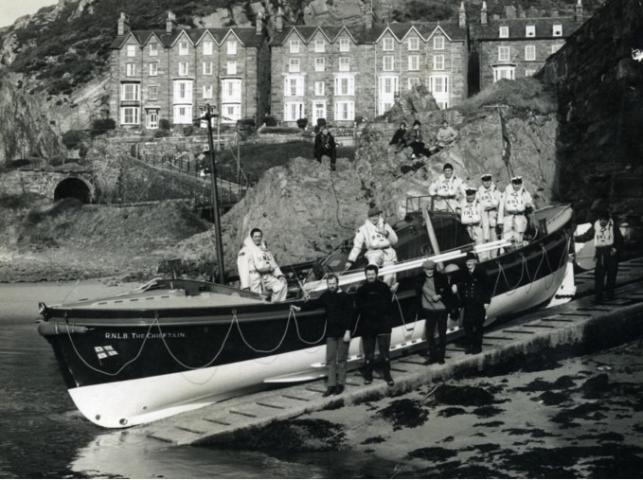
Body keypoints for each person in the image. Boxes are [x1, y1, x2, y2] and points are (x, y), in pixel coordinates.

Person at [295, 274, 353, 396]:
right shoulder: (326, 296)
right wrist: (300, 308)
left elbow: (349, 315)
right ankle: (331, 385)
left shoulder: (345, 297)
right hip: (331, 333)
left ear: (337, 283)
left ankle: (340, 384)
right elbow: (314, 304)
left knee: (341, 360)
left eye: (333, 284)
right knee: (330, 359)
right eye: (329, 284)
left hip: (343, 333)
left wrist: (348, 331)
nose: (331, 286)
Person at [355, 265, 395, 386]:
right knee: (369, 354)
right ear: (365, 275)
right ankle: (368, 376)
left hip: (383, 324)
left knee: (385, 353)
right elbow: (359, 307)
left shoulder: (383, 287)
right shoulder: (361, 290)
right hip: (367, 326)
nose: (370, 276)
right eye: (368, 274)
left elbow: (388, 305)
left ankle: (387, 375)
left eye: (372, 274)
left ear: (376, 274)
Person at [574, 210, 624, 303]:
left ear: (608, 220)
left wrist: (616, 248)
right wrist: (574, 239)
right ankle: (598, 297)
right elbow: (586, 236)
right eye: (601, 220)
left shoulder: (613, 227)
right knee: (599, 276)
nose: (603, 222)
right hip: (601, 253)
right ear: (599, 219)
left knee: (611, 275)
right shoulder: (595, 226)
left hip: (611, 253)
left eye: (605, 220)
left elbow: (620, 239)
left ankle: (610, 295)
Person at [345, 206, 398, 286]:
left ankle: (387, 292)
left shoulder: (385, 225)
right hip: (374, 254)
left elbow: (395, 241)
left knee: (390, 277)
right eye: (372, 216)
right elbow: (357, 246)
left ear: (379, 216)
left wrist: (386, 233)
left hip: (388, 253)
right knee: (371, 274)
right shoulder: (363, 229)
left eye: (376, 215)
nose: (374, 218)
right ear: (369, 217)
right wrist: (350, 260)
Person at [416, 260, 453, 365]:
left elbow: (447, 291)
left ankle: (441, 357)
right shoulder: (420, 279)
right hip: (429, 309)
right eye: (427, 269)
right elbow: (418, 291)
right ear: (424, 270)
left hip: (441, 309)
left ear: (434, 269)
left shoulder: (441, 277)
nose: (430, 271)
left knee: (442, 333)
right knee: (429, 334)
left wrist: (440, 295)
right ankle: (433, 356)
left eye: (431, 269)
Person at [454, 252, 491, 354]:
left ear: (475, 262)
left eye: (470, 261)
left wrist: (487, 301)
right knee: (467, 325)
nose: (468, 263)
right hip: (468, 304)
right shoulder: (464, 273)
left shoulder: (481, 272)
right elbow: (456, 279)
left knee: (478, 326)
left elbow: (487, 288)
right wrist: (454, 285)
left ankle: (477, 347)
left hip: (478, 303)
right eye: (467, 262)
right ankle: (471, 345)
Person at [237, 228, 288, 302]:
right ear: (252, 237)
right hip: (253, 278)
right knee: (256, 299)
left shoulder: (264, 249)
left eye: (259, 236)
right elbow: (243, 269)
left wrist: (279, 275)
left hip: (265, 276)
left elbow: (273, 264)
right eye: (255, 236)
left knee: (280, 286)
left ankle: (275, 306)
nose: (258, 238)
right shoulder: (245, 250)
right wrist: (246, 286)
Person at [498, 176, 534, 247]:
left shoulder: (525, 193)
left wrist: (529, 205)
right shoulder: (506, 193)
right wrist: (500, 221)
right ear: (512, 183)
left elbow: (531, 204)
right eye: (515, 183)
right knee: (506, 238)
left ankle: (519, 250)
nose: (517, 186)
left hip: (520, 217)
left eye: (519, 183)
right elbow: (501, 208)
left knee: (519, 237)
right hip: (508, 217)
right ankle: (506, 252)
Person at [476, 173, 501, 252]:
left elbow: (500, 201)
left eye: (488, 180)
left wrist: (493, 207)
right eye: (485, 181)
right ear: (482, 182)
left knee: (495, 240)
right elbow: (477, 204)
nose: (487, 182)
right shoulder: (479, 192)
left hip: (493, 217)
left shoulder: (495, 190)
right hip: (483, 220)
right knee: (485, 241)